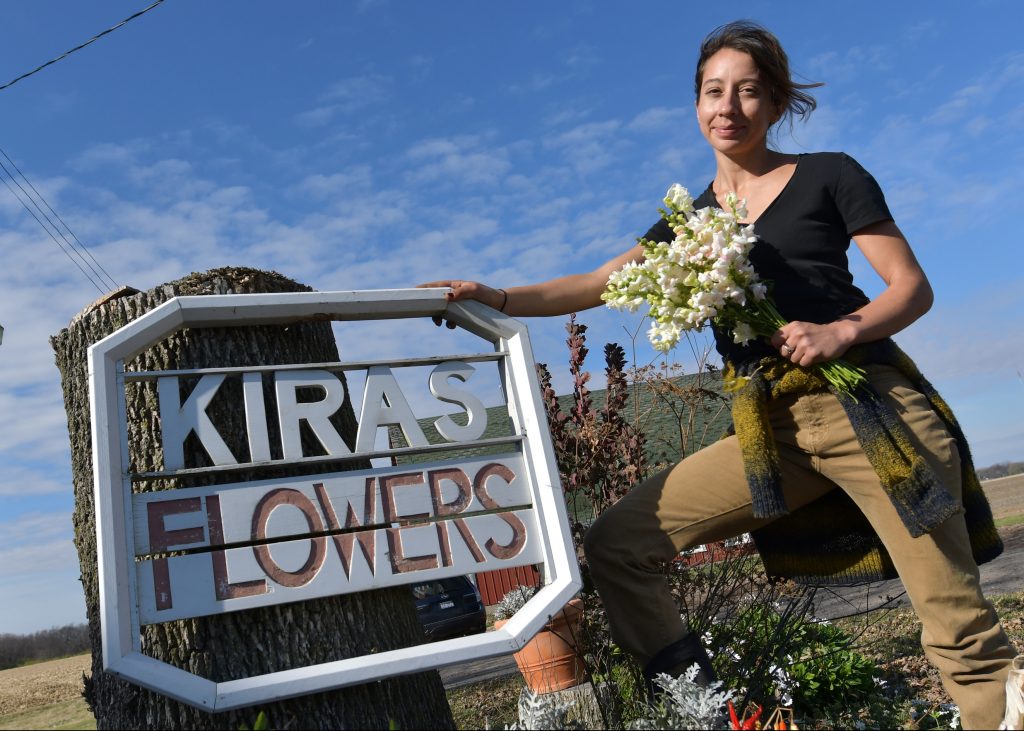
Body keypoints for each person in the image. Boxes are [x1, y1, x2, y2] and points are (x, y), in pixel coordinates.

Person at [420, 20, 1015, 729]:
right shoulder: (690, 223)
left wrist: (841, 330)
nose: (728, 107)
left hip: (872, 413)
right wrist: (498, 297)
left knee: (958, 629)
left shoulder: (831, 175)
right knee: (618, 542)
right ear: (695, 103)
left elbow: (910, 287)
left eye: (749, 92)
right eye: (713, 91)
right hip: (772, 433)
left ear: (776, 102)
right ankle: (703, 708)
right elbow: (596, 283)